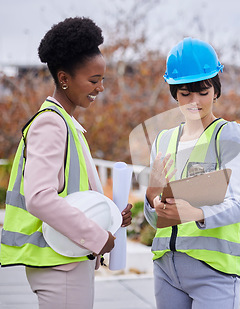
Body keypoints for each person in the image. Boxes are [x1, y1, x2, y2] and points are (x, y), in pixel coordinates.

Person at [0, 17, 132, 309]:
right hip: (60, 266)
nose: (100, 88)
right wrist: (97, 236)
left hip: (66, 259)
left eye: (102, 79)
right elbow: (39, 199)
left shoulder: (65, 122)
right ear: (64, 79)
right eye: (93, 80)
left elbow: (70, 195)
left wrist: (110, 217)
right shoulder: (51, 124)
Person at [143, 37, 240, 309]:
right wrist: (152, 198)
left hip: (213, 271)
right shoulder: (162, 140)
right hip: (166, 269)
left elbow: (239, 205)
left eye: (203, 91)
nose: (195, 101)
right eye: (185, 93)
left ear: (216, 89)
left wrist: (196, 214)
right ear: (175, 94)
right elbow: (155, 218)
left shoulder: (229, 136)